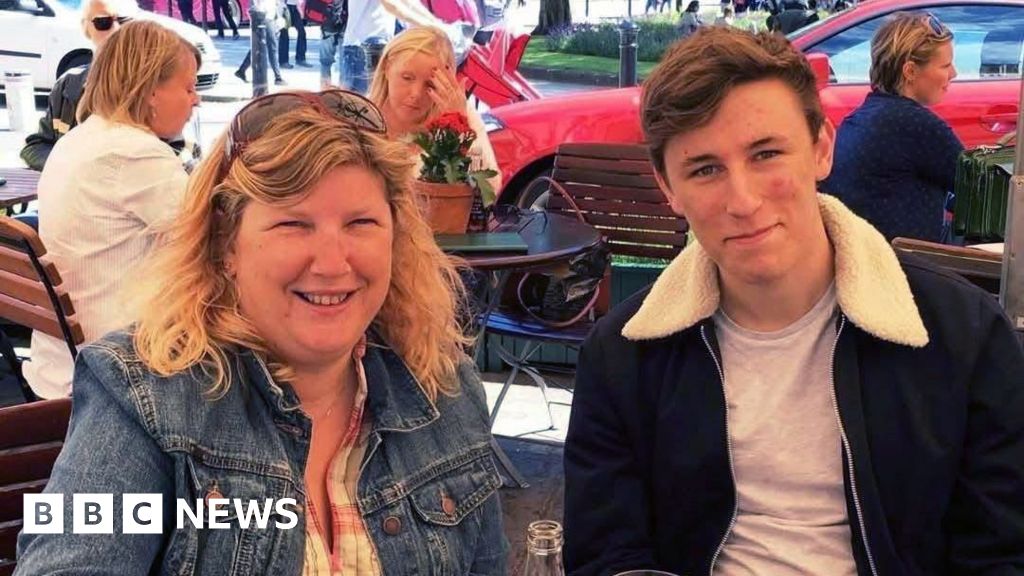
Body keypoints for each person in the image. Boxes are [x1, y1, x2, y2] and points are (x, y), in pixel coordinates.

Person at [564, 26, 1024, 576]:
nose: (743, 201)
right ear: (668, 188)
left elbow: (1000, 551)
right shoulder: (621, 358)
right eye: (705, 169)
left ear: (822, 149)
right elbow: (607, 555)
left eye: (766, 154)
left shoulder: (963, 336)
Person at [15, 89, 509, 574]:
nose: (333, 264)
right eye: (293, 224)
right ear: (225, 245)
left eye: (361, 223)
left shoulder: (445, 387)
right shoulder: (139, 393)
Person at [22, 20, 200, 399]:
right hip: (113, 376)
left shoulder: (78, 139)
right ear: (152, 91)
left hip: (58, 365)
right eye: (188, 87)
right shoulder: (135, 153)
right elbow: (215, 243)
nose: (196, 100)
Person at [823, 12, 963, 242]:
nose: (954, 73)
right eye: (945, 65)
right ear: (910, 71)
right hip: (905, 259)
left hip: (860, 250)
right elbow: (981, 191)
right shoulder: (917, 125)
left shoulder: (862, 117)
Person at [20, 0, 200, 174]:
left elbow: (186, 153)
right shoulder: (69, 84)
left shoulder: (161, 87)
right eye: (103, 22)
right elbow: (35, 146)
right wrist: (74, 168)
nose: (116, 29)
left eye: (124, 21)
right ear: (85, 28)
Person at [368, 25, 501, 193]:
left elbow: (489, 189)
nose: (416, 94)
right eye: (407, 78)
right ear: (387, 67)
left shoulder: (459, 114)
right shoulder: (361, 117)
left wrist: (459, 127)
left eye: (430, 84)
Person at [327, 0, 446, 93]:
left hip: (373, 45)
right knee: (357, 108)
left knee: (374, 105)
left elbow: (406, 3)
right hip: (362, 47)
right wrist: (433, 26)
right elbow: (392, 4)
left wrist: (434, 23)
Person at [235, 0, 286, 85]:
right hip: (265, 16)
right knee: (272, 47)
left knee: (258, 45)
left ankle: (241, 70)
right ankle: (278, 77)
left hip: (265, 15)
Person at [277, 0, 311, 68]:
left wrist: (299, 7)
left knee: (302, 32)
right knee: (284, 34)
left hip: (295, 6)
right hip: (284, 6)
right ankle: (283, 61)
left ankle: (300, 59)